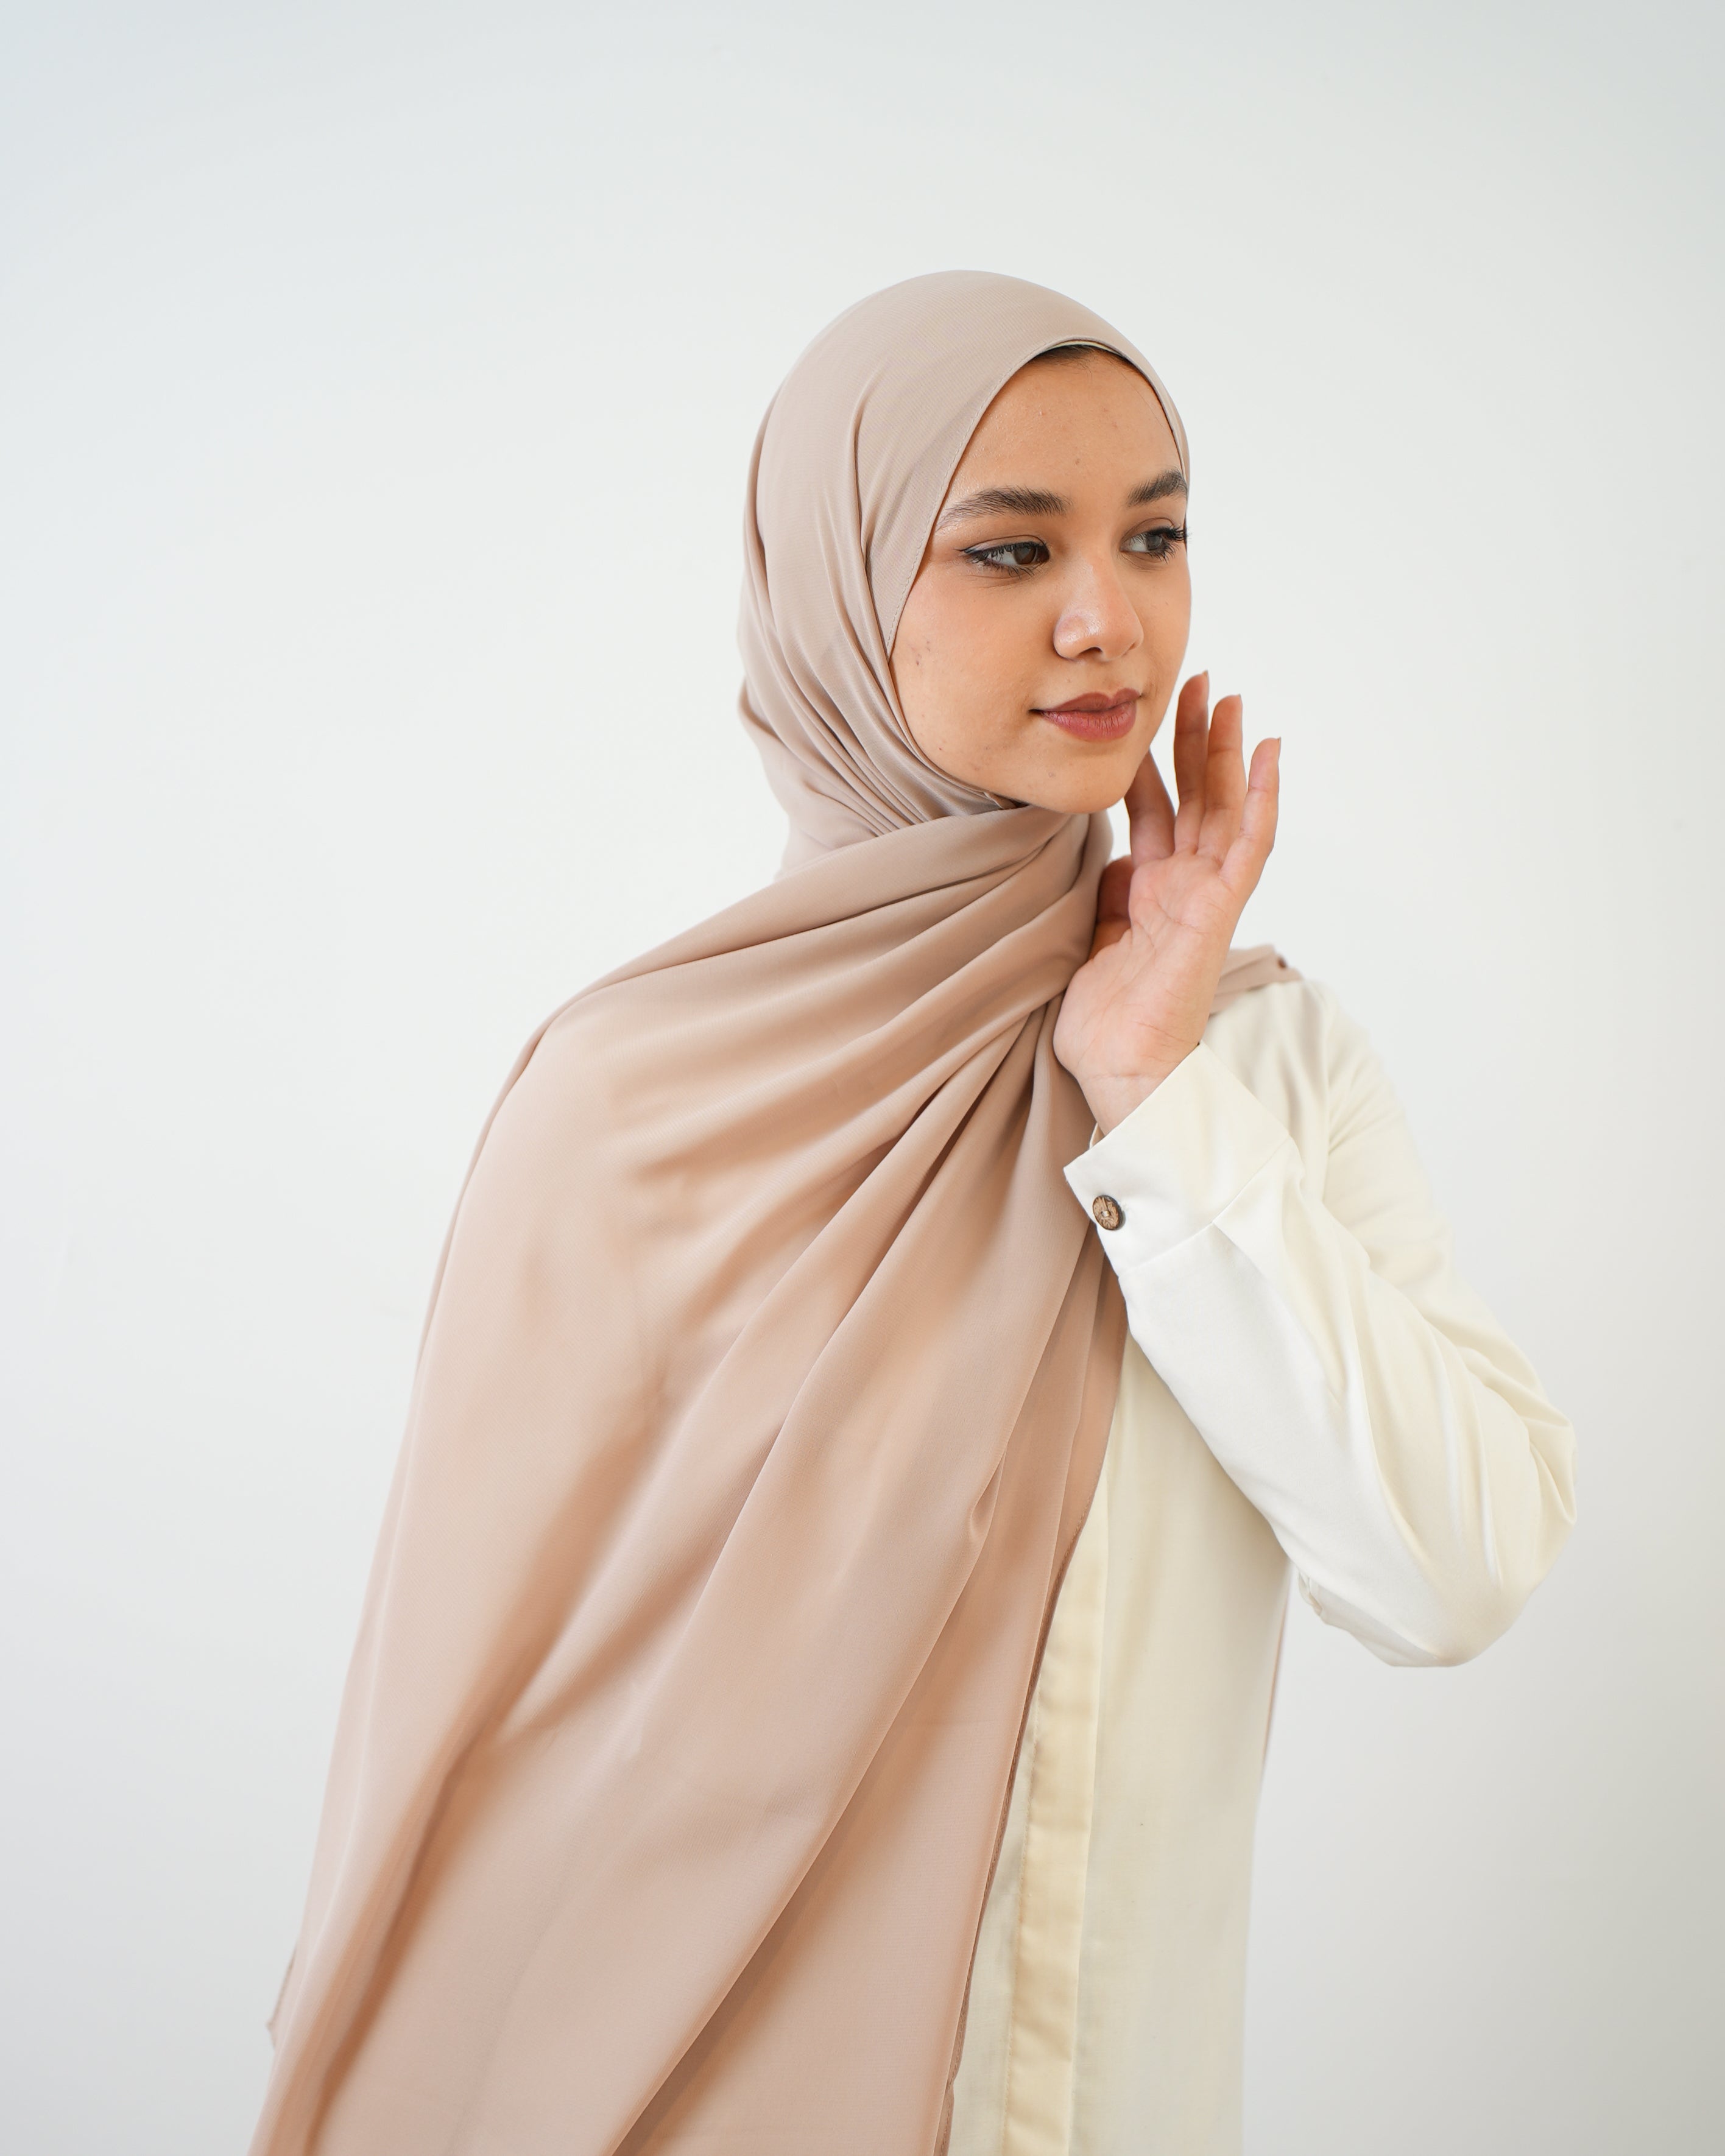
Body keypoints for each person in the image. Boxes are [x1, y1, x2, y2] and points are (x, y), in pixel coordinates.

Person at [249, 272, 1575, 2156]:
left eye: (1155, 537)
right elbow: (465, 1724)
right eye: (1011, 549)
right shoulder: (633, 1100)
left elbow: (1458, 1572)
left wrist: (1154, 1102)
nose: (1107, 618)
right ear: (837, 591)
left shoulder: (1261, 1075)